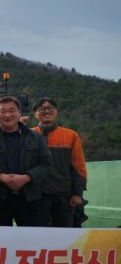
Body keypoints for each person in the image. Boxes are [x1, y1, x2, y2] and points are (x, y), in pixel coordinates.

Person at [0, 96, 53, 226]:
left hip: (30, 197)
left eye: (12, 110)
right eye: (3, 111)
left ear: (19, 113)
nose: (7, 115)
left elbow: (47, 164)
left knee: (31, 241)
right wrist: (1, 176)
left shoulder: (35, 137)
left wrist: (27, 177)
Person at [32, 97, 88, 227]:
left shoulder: (71, 135)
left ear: (56, 111)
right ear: (35, 113)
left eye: (50, 108)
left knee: (65, 233)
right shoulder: (29, 134)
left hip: (64, 195)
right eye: (41, 109)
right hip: (36, 195)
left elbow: (78, 166)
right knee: (36, 233)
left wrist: (77, 193)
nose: (46, 111)